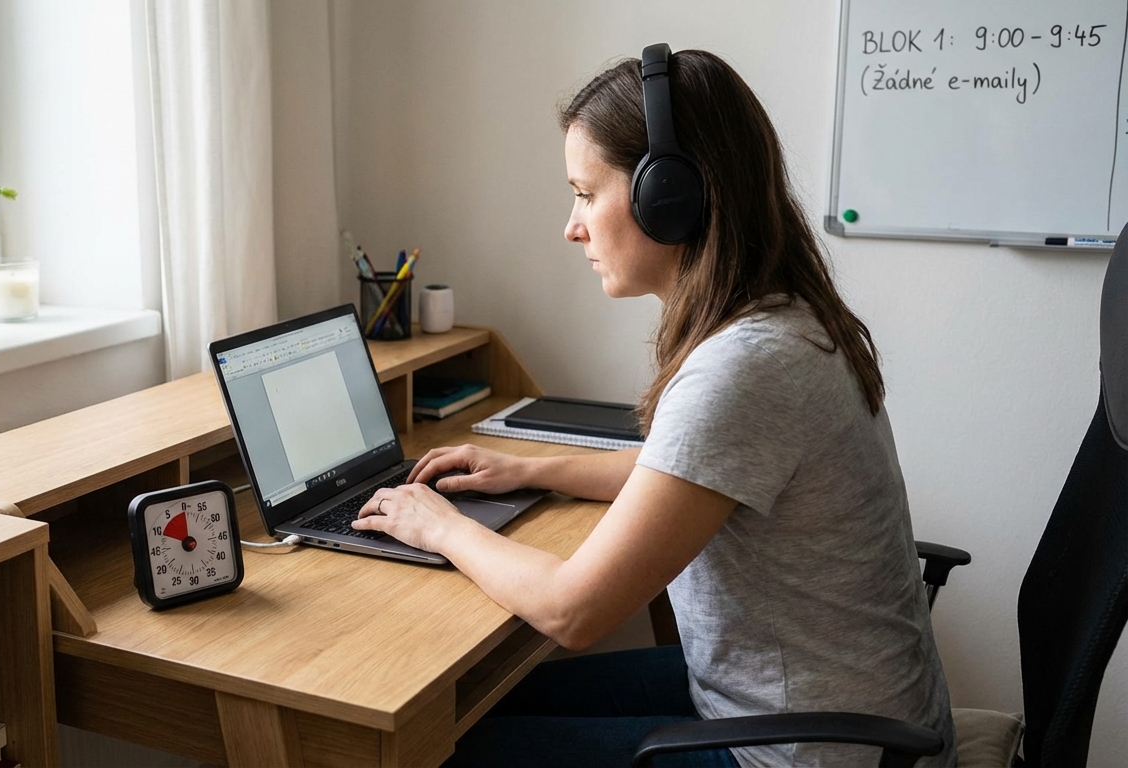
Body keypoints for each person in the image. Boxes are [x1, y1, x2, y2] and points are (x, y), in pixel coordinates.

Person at [352, 46, 956, 768]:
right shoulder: (786, 319)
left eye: (584, 192)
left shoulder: (746, 368)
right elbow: (688, 472)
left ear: (666, 197)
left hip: (807, 750)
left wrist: (439, 526)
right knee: (481, 702)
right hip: (811, 705)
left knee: (445, 750)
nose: (571, 227)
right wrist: (528, 469)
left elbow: (572, 612)